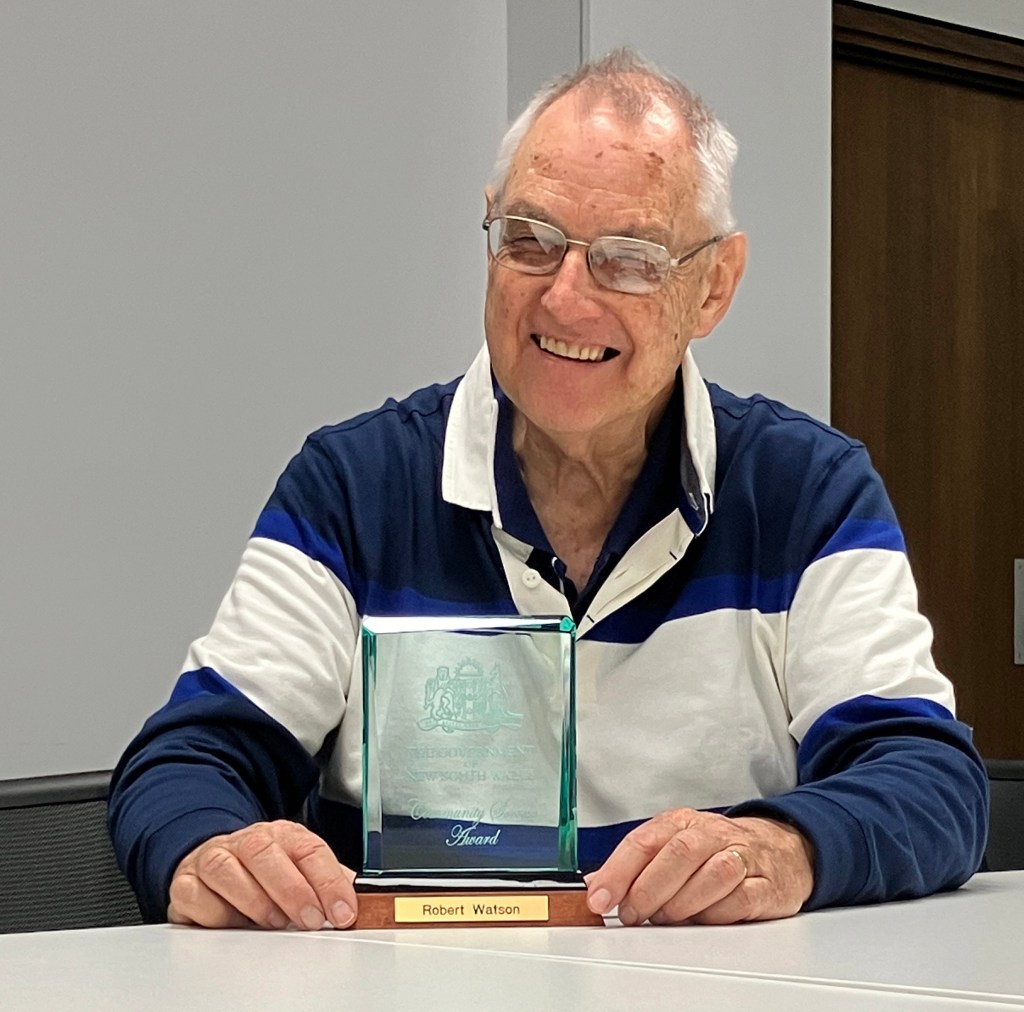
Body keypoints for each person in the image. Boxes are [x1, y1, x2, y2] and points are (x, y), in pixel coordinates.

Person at [109, 48, 987, 930]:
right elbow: (188, 761)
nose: (564, 299)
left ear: (713, 286)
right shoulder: (355, 487)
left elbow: (931, 781)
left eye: (629, 259)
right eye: (531, 241)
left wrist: (784, 849)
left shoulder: (810, 493)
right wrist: (210, 851)